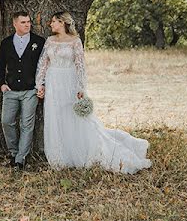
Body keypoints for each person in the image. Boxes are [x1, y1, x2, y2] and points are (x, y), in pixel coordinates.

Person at [36, 11, 151, 174]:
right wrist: (40, 84)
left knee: (74, 118)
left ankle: (80, 152)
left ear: (62, 23)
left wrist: (81, 88)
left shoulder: (75, 41)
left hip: (69, 81)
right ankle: (59, 156)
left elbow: (80, 66)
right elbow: (43, 64)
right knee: (55, 118)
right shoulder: (50, 41)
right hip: (53, 82)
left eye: (54, 21)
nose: (51, 24)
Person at [0, 11, 46, 170]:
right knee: (6, 121)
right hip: (10, 91)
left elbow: (43, 66)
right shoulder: (6, 43)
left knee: (27, 125)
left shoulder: (39, 42)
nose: (27, 25)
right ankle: (13, 151)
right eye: (23, 22)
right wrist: (2, 84)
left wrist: (41, 84)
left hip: (30, 91)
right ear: (15, 24)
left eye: (29, 22)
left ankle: (20, 159)